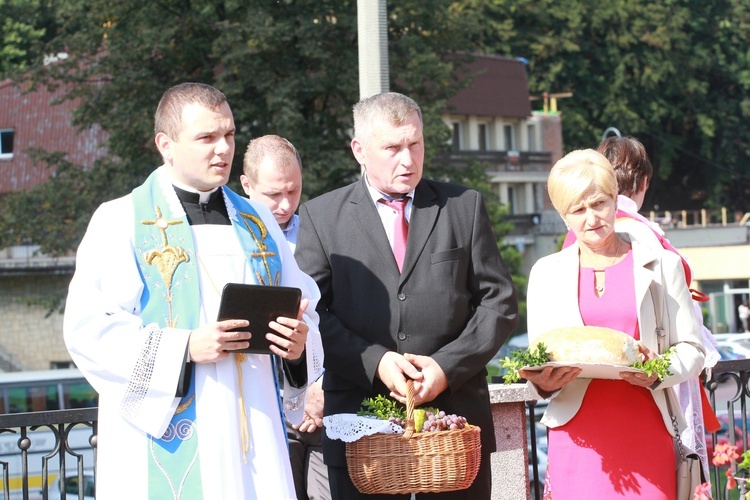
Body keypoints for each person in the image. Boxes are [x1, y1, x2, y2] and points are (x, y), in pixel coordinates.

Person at [63, 82, 324, 499]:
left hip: (255, 425)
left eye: (229, 135)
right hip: (172, 430)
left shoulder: (257, 220)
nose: (223, 149)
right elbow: (89, 330)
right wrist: (184, 346)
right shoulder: (121, 220)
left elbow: (304, 305)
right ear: (166, 144)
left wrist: (296, 348)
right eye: (207, 137)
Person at [295, 92, 519, 499]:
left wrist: (446, 368)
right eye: (392, 148)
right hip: (361, 432)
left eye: (415, 144)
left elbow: (498, 303)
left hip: (454, 428)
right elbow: (313, 315)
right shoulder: (320, 218)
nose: (408, 159)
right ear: (359, 150)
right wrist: (375, 361)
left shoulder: (463, 207)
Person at [522, 149, 705, 499]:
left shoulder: (664, 266)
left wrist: (659, 370)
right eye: (578, 210)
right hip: (577, 439)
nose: (592, 219)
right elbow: (539, 355)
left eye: (600, 204)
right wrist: (543, 383)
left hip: (648, 429)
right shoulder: (544, 273)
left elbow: (693, 349)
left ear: (616, 201)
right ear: (564, 217)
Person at [594, 136, 720, 475]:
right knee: (670, 468)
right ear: (644, 181)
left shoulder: (584, 230)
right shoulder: (638, 231)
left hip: (601, 369)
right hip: (654, 361)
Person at [242, 134, 331, 500]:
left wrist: (323, 383)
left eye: (293, 192)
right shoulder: (230, 240)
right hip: (261, 404)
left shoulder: (323, 233)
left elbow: (344, 313)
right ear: (246, 185)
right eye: (273, 194)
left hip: (323, 404)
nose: (284, 205)